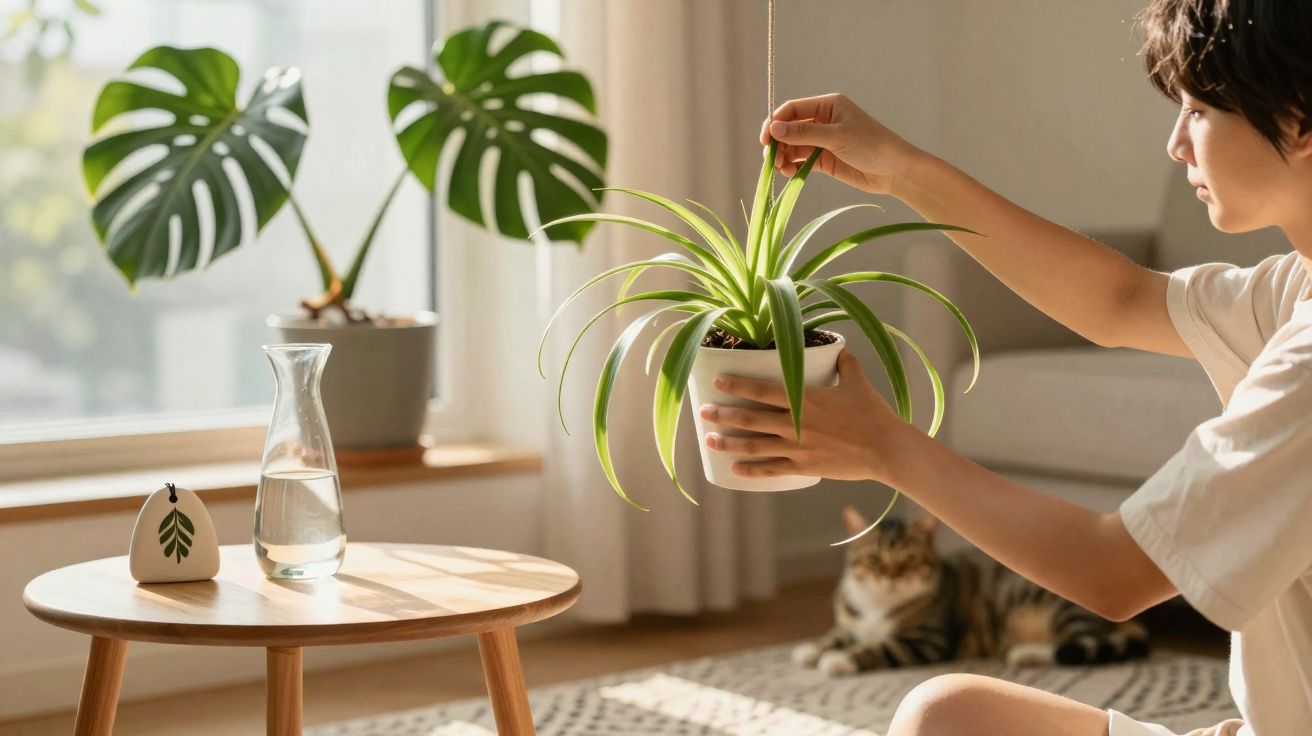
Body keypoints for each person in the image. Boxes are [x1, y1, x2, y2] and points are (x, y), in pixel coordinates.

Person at [698, 1, 1312, 735]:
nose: (1178, 144)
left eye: (1200, 111)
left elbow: (1112, 573)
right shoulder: (1291, 287)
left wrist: (884, 446)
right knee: (946, 715)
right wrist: (899, 168)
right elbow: (1117, 301)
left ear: (1301, 121)